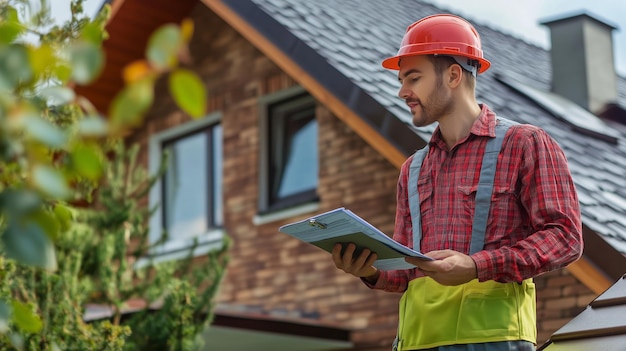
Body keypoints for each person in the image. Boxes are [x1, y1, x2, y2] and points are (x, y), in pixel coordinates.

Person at [331, 14, 583, 351]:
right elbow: (407, 271)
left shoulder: (524, 144)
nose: (402, 91)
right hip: (415, 342)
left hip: (494, 342)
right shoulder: (412, 169)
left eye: (413, 78)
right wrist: (370, 270)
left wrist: (477, 265)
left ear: (452, 75)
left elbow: (565, 237)